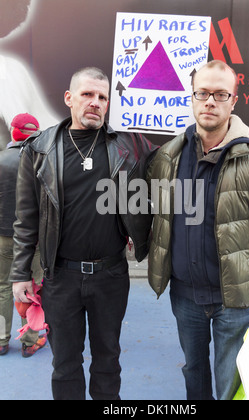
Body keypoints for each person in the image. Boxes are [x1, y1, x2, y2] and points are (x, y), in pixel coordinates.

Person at [147, 60, 249, 400]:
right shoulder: (169, 155)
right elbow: (154, 216)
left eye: (220, 94)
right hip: (184, 296)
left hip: (234, 300)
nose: (210, 101)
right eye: (203, 93)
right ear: (192, 97)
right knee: (193, 371)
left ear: (233, 101)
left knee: (230, 379)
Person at [11, 67, 158, 400]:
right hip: (61, 278)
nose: (95, 102)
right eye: (87, 95)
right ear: (69, 98)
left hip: (111, 275)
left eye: (102, 97)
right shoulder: (39, 149)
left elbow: (173, 164)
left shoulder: (129, 144)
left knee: (108, 360)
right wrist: (20, 274)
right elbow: (26, 217)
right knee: (65, 363)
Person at [0, 113, 47, 357]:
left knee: (2, 288)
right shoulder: (43, 162)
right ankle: (30, 341)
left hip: (2, 237)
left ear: (13, 133)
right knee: (32, 289)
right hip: (34, 241)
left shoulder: (0, 160)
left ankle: (1, 339)